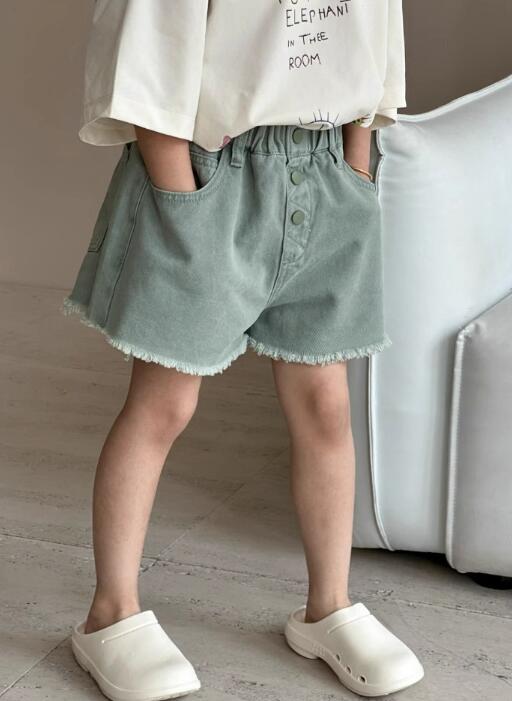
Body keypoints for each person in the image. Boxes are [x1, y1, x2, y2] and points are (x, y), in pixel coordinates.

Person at [63, 1, 425, 698]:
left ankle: (329, 606)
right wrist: (180, 194)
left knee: (325, 407)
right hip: (209, 172)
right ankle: (111, 613)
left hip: (327, 171)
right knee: (164, 404)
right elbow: (149, 52)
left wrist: (356, 165)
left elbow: (376, 35)